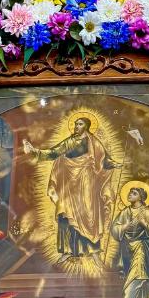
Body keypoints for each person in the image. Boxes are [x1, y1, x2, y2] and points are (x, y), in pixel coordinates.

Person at [23, 110, 117, 262]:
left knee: (89, 215)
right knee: (65, 214)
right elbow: (54, 152)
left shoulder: (93, 142)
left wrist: (114, 164)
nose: (76, 126)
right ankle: (67, 250)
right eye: (75, 124)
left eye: (79, 124)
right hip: (68, 181)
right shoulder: (69, 141)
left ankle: (93, 251)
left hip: (86, 181)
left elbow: (104, 159)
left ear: (86, 126)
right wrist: (35, 151)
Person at [109, 181, 149, 298]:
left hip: (141, 249)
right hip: (127, 251)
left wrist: (145, 224)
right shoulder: (125, 212)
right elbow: (114, 229)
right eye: (130, 192)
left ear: (140, 197)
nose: (130, 194)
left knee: (138, 277)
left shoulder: (146, 212)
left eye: (134, 193)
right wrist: (125, 226)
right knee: (135, 277)